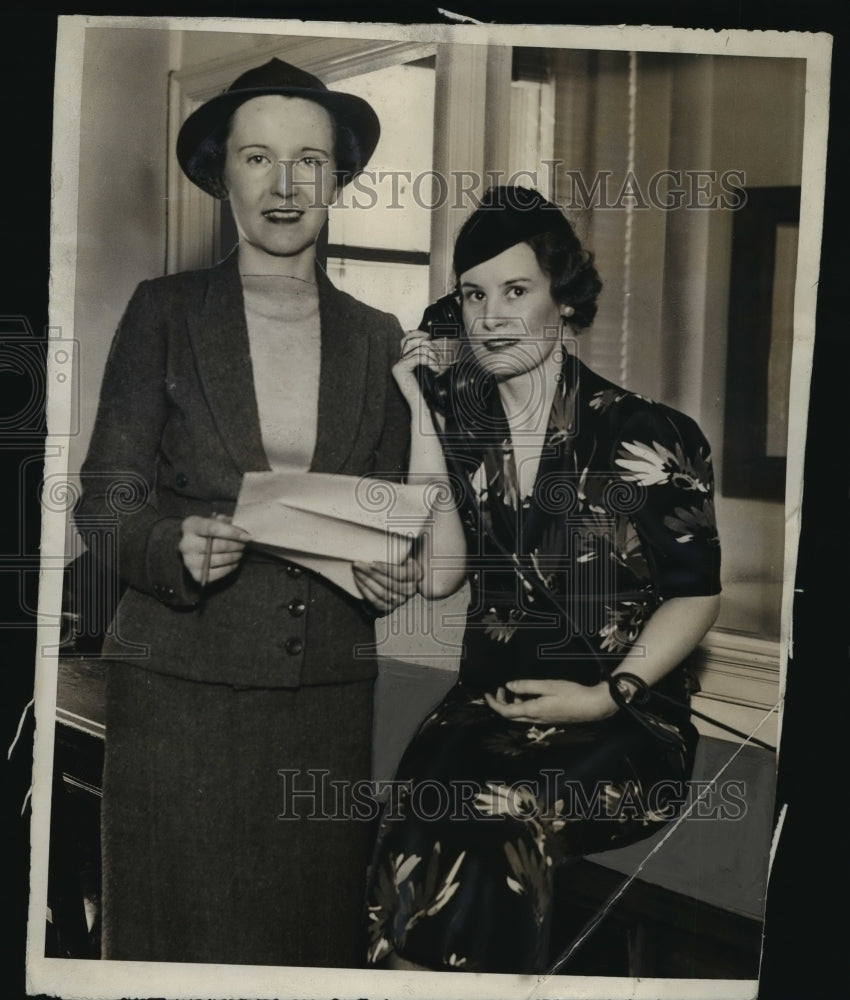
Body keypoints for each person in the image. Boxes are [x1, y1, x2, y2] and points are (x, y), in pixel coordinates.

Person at [76, 58, 422, 967]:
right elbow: (105, 495)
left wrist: (393, 573)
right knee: (168, 951)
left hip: (324, 703)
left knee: (305, 956)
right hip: (177, 695)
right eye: (258, 158)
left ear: (338, 177)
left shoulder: (378, 337)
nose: (284, 185)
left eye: (310, 161)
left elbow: (386, 515)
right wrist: (167, 544)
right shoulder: (164, 312)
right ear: (220, 174)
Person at [364, 185, 722, 974]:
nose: (491, 316)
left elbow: (697, 591)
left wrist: (606, 695)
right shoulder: (466, 431)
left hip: (624, 723)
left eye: (516, 291)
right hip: (483, 713)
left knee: (506, 819)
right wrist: (425, 420)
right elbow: (439, 578)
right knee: (417, 815)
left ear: (562, 300)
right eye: (474, 295)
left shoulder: (652, 434)